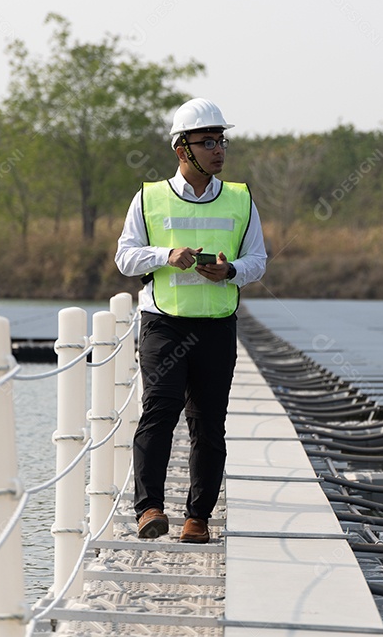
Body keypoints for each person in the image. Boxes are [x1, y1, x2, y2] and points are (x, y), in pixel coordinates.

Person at [114, 97, 267, 543]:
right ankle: (149, 509)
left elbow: (258, 260)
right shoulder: (148, 197)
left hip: (216, 324)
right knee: (159, 411)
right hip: (163, 322)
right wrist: (166, 256)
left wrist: (232, 270)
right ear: (182, 149)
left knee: (208, 422)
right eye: (208, 141)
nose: (219, 149)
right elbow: (125, 257)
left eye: (221, 140)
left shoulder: (241, 198)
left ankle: (197, 518)